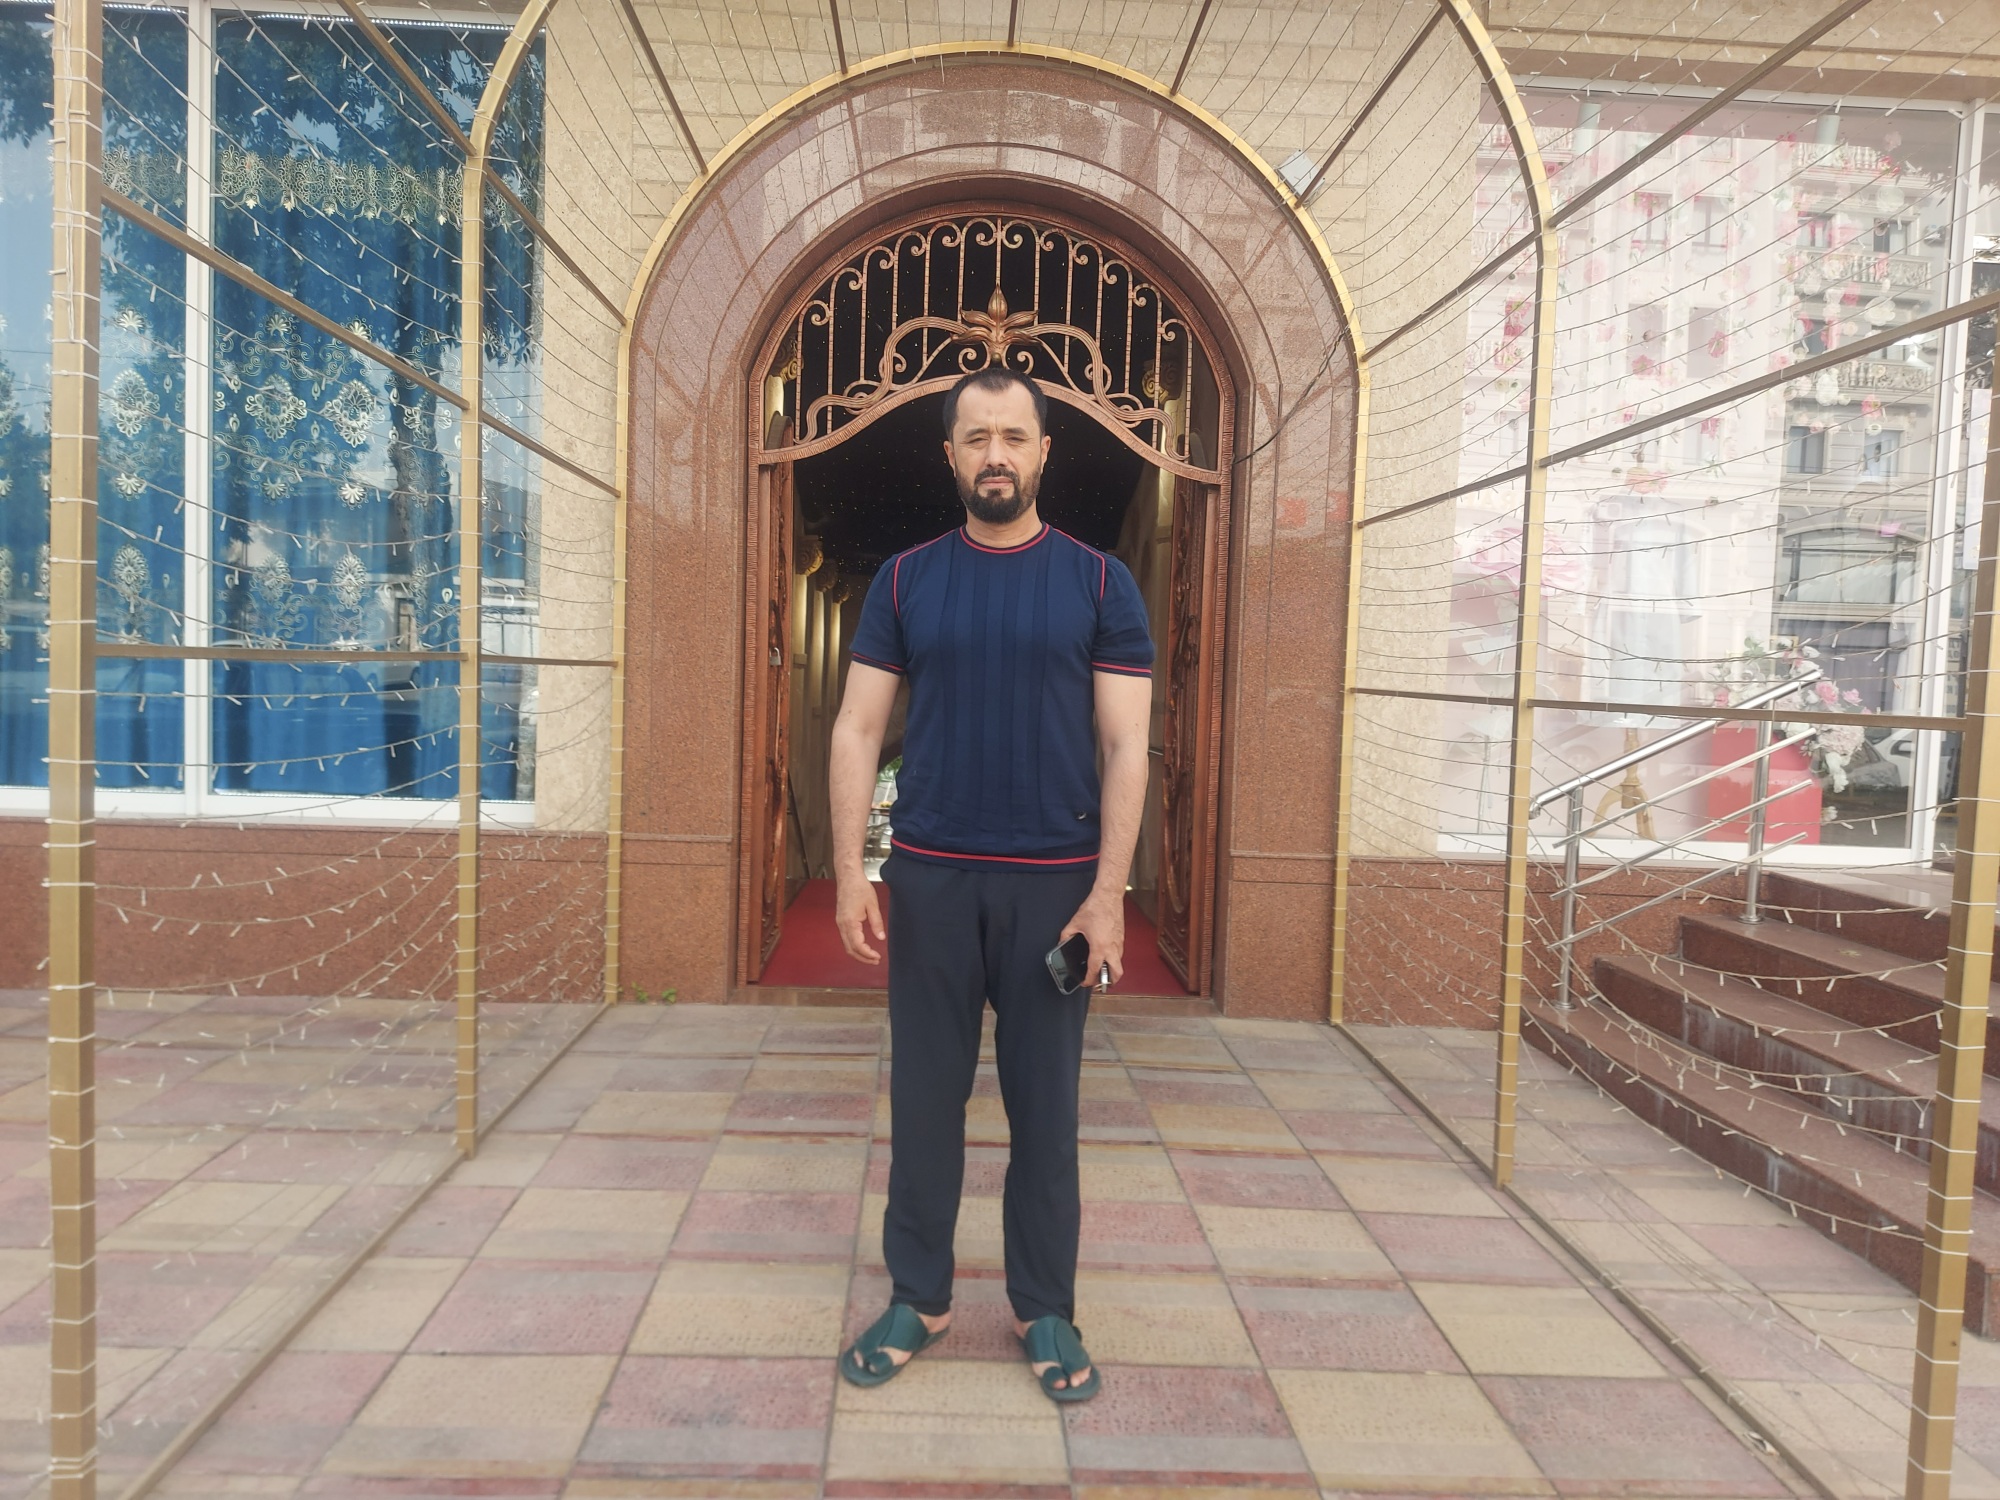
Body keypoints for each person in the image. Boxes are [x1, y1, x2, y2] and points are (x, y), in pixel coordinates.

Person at [827, 366, 1153, 1403]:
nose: (996, 456)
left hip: (1054, 890)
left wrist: (1108, 895)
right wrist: (849, 871)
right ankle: (917, 1297)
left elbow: (1126, 747)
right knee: (924, 1103)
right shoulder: (905, 581)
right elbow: (857, 727)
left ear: (1044, 452)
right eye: (977, 439)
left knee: (1044, 1115)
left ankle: (1042, 1307)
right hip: (930, 878)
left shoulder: (1100, 584)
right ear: (951, 456)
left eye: (1014, 437)